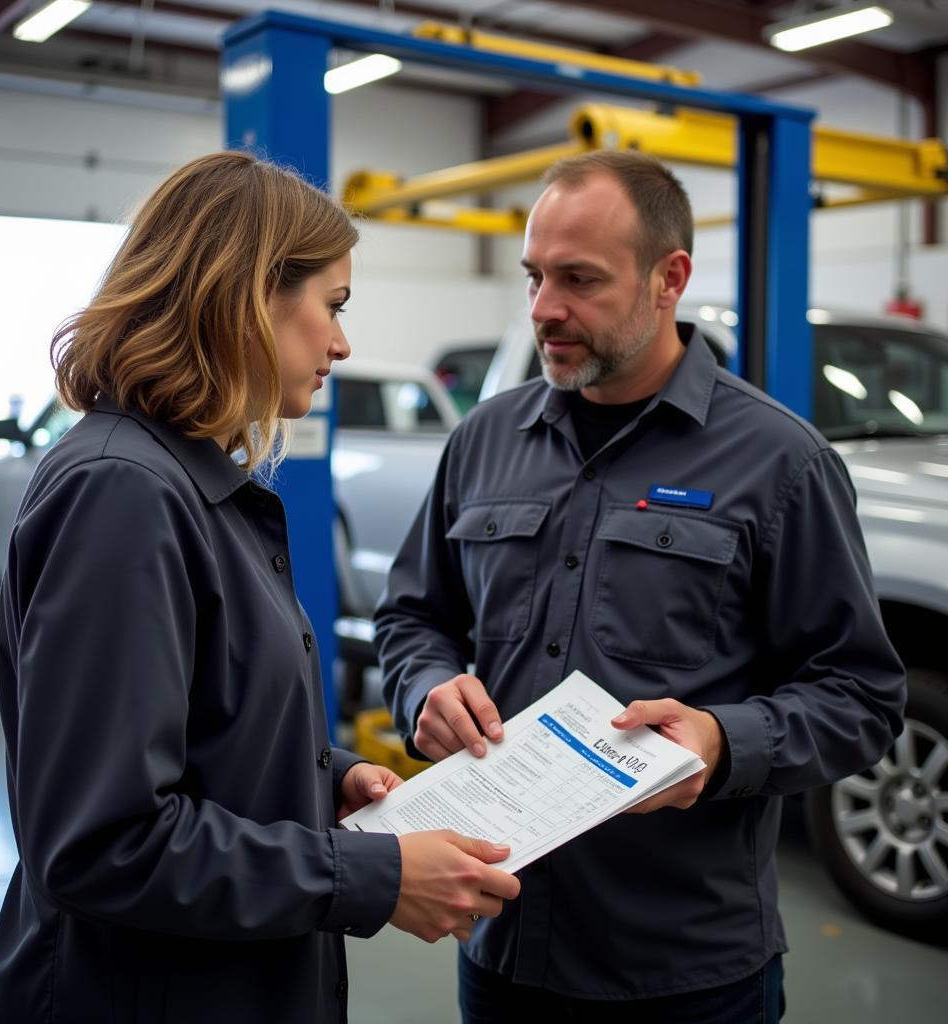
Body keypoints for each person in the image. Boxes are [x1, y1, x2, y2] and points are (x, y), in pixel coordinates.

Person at [0, 152, 520, 1024]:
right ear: (246, 294)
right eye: (332, 306)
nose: (341, 343)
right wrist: (372, 876)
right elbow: (102, 842)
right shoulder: (124, 493)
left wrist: (324, 781)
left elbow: (203, 734)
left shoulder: (196, 485)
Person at [375, 150, 906, 1023]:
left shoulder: (780, 463)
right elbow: (412, 615)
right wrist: (426, 685)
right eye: (535, 276)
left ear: (670, 279)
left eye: (579, 280)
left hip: (683, 974)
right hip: (499, 943)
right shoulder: (483, 440)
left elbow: (862, 694)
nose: (546, 309)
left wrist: (723, 743)